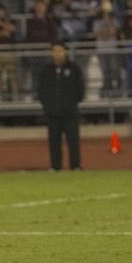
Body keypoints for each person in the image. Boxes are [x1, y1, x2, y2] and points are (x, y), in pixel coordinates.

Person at [38, 42, 85, 171]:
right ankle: (55, 166)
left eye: (60, 51)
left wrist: (72, 103)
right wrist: (48, 106)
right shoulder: (46, 70)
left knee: (73, 141)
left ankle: (75, 165)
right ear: (51, 53)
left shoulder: (74, 68)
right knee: (53, 142)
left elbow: (80, 90)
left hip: (70, 112)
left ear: (65, 52)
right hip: (52, 113)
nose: (58, 54)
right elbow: (41, 90)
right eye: (55, 51)